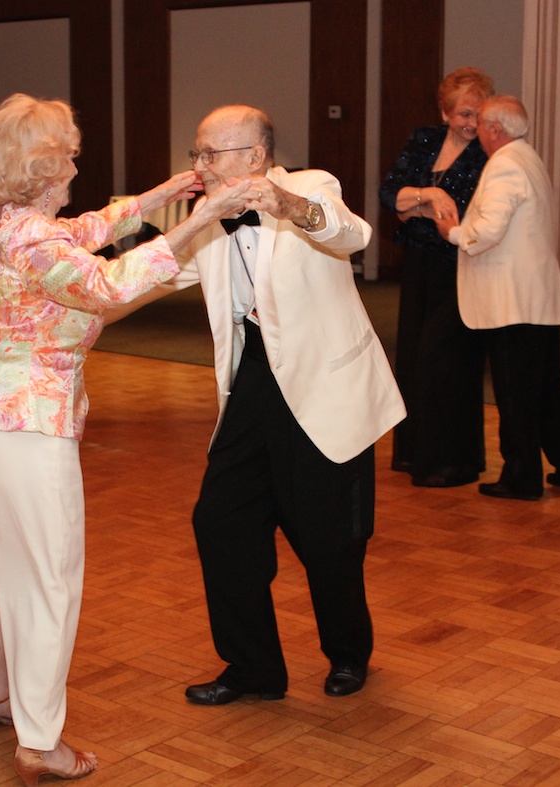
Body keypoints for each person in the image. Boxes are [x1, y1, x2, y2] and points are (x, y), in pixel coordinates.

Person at [0, 93, 250, 786]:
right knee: (49, 581)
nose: (76, 166)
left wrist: (159, 196)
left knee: (3, 566)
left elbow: (86, 230)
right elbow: (108, 285)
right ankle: (39, 741)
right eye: (70, 154)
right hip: (29, 430)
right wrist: (198, 219)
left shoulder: (13, 223)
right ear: (45, 164)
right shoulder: (36, 241)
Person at [133, 105, 405, 704]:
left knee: (330, 538)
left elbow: (350, 232)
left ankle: (348, 653)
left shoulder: (309, 186)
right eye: (196, 154)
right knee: (221, 522)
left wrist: (283, 205)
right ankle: (253, 668)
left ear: (255, 156)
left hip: (323, 384)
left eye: (210, 153)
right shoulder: (206, 216)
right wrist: (74, 295)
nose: (199, 165)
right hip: (254, 383)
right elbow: (154, 272)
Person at [435, 95, 560, 500]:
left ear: (494, 130)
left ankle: (521, 479)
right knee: (544, 386)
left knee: (516, 391)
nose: (479, 132)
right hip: (534, 296)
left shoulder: (504, 165)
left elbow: (488, 231)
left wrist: (452, 231)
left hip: (510, 300)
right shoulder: (528, 158)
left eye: (482, 125)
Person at [379, 67, 494, 487]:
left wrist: (417, 205)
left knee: (444, 362)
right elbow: (391, 193)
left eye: (478, 115)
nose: (471, 124)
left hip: (458, 267)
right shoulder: (424, 139)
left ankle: (451, 461)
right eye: (464, 114)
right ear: (445, 113)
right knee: (411, 358)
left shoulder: (486, 154)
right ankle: (414, 455)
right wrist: (428, 195)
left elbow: (458, 215)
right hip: (419, 266)